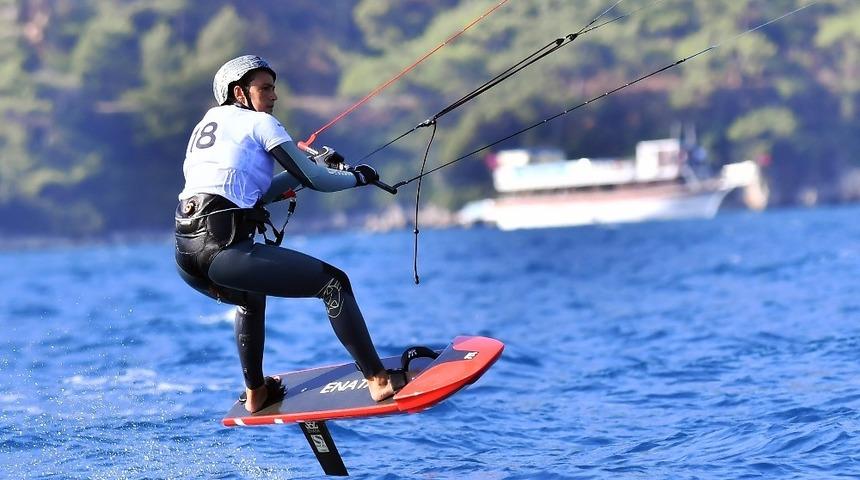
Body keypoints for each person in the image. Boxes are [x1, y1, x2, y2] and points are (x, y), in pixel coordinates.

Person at [174, 55, 402, 413]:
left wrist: (309, 169)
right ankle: (379, 380)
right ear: (239, 92)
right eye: (264, 88)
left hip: (188, 255)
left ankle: (256, 393)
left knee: (251, 298)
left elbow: (254, 193)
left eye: (273, 88)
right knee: (333, 284)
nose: (274, 96)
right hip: (224, 249)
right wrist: (359, 177)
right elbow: (319, 182)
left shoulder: (210, 124)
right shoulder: (260, 123)